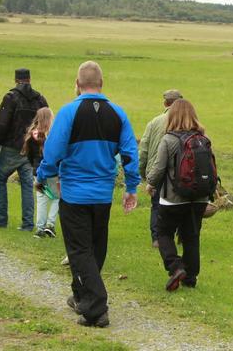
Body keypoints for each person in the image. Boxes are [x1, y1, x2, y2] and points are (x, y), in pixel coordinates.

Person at [36, 61, 140, 328]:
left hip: (74, 193)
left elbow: (54, 151)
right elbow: (129, 154)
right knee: (95, 247)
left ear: (77, 83)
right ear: (102, 84)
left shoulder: (69, 112)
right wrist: (131, 187)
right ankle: (81, 294)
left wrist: (42, 175)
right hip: (102, 194)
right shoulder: (118, 114)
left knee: (79, 249)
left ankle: (96, 307)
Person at [144, 99, 213, 291]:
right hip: (199, 197)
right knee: (191, 235)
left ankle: (176, 267)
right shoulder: (203, 139)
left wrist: (150, 183)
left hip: (173, 198)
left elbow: (159, 168)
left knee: (163, 232)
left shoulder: (169, 139)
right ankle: (190, 278)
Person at [0, 69, 48, 230]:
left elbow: (2, 124)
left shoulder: (11, 98)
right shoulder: (40, 99)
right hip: (31, 148)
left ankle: (1, 219)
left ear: (16, 79)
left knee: (0, 178)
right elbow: (45, 124)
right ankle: (28, 223)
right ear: (29, 79)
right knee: (27, 184)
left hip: (11, 147)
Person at [138, 89, 182, 248]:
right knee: (179, 203)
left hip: (157, 170)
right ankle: (179, 234)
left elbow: (143, 150)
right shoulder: (188, 122)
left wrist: (144, 173)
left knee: (157, 205)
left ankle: (157, 238)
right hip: (179, 172)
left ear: (165, 103)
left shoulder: (154, 122)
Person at [22, 107, 59, 238]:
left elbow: (29, 156)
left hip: (37, 172)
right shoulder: (53, 135)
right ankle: (50, 224)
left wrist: (34, 167)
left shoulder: (31, 135)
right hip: (53, 172)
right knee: (57, 197)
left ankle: (40, 227)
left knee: (41, 199)